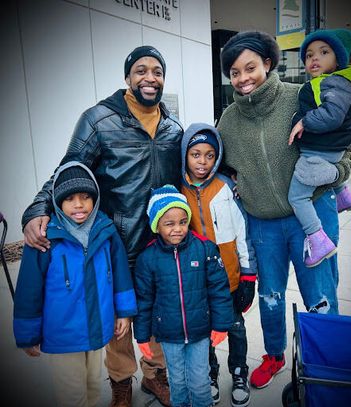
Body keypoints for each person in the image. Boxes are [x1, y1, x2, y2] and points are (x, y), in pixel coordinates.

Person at [21, 46, 183, 407]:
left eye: (157, 71)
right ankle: (122, 383)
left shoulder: (174, 127)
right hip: (117, 242)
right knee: (119, 321)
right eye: (141, 70)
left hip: (160, 244)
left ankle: (155, 375)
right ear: (128, 77)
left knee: (159, 312)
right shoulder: (98, 119)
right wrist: (36, 210)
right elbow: (68, 171)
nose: (150, 78)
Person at [218, 30, 351, 389]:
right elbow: (221, 168)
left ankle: (328, 362)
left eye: (250, 67)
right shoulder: (228, 121)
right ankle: (275, 354)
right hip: (263, 225)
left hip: (311, 217)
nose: (243, 78)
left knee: (320, 295)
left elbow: (348, 144)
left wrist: (338, 172)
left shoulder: (303, 96)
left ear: (267, 63)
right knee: (271, 296)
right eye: (234, 72)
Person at [13, 162, 137, 407]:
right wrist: (28, 333)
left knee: (92, 387)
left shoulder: (105, 231)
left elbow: (120, 272)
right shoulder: (45, 237)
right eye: (69, 198)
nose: (79, 204)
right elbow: (29, 288)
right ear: (58, 203)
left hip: (98, 326)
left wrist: (123, 312)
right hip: (63, 334)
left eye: (85, 197)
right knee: (72, 396)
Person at [133, 184, 233, 407]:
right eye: (169, 224)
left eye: (182, 222)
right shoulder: (147, 258)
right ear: (156, 226)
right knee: (177, 382)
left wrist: (221, 324)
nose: (177, 228)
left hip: (199, 331)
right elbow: (144, 300)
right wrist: (141, 336)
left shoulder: (204, 249)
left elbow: (219, 288)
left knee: (199, 381)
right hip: (169, 334)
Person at [180, 123, 257, 406]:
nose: (203, 162)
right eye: (196, 154)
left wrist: (248, 275)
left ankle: (238, 372)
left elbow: (243, 233)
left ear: (218, 156)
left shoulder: (226, 187)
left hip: (230, 279)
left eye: (210, 155)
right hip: (196, 280)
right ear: (184, 155)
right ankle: (209, 374)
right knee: (204, 331)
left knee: (235, 327)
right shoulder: (178, 191)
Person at [288, 29, 351, 266]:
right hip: (327, 148)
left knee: (297, 197)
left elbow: (333, 116)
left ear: (338, 59)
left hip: (320, 151)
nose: (314, 58)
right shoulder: (332, 83)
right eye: (308, 55)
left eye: (324, 52)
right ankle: (343, 196)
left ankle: (317, 239)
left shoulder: (335, 82)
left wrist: (304, 121)